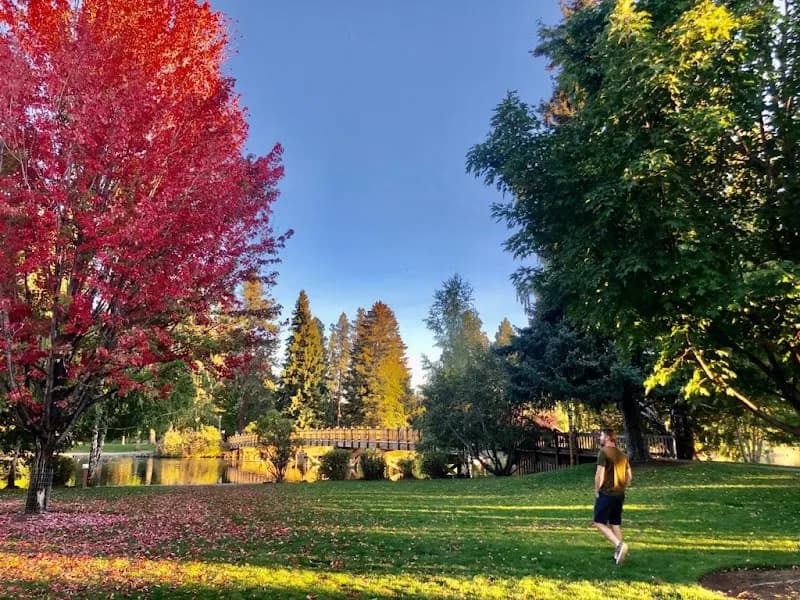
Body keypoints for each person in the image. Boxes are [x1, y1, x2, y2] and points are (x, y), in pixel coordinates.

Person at [593, 428, 632, 565]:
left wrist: (597, 490)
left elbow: (599, 474)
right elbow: (629, 476)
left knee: (598, 522)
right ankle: (619, 555)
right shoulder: (622, 454)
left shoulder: (603, 452)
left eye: (602, 435)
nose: (600, 438)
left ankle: (618, 545)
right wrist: (622, 487)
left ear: (608, 437)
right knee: (615, 523)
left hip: (607, 493)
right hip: (619, 494)